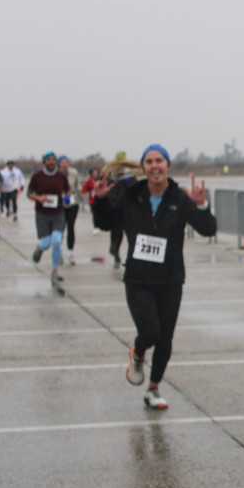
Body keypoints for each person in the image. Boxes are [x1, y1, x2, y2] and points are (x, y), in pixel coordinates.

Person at [92, 144, 216, 410]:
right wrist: (100, 200)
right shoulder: (131, 196)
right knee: (150, 331)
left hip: (170, 279)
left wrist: (202, 205)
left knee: (165, 338)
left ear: (167, 166)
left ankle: (153, 388)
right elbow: (104, 223)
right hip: (138, 279)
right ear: (144, 168)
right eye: (149, 162)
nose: (154, 166)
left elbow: (207, 230)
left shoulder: (179, 198)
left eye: (159, 160)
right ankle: (137, 354)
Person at [26, 151, 71, 282]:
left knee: (56, 241)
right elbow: (29, 194)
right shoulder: (37, 176)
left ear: (56, 162)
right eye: (48, 160)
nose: (51, 162)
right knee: (46, 243)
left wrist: (67, 197)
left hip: (58, 213)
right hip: (42, 214)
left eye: (53, 160)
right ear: (44, 162)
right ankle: (40, 248)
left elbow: (67, 190)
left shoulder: (61, 176)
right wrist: (39, 198)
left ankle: (55, 270)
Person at [58, 155, 82, 265]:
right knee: (60, 228)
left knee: (71, 227)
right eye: (62, 162)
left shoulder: (73, 173)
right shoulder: (56, 174)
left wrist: (78, 192)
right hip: (60, 204)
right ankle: (58, 253)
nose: (64, 164)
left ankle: (70, 253)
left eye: (66, 162)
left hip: (72, 202)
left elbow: (78, 186)